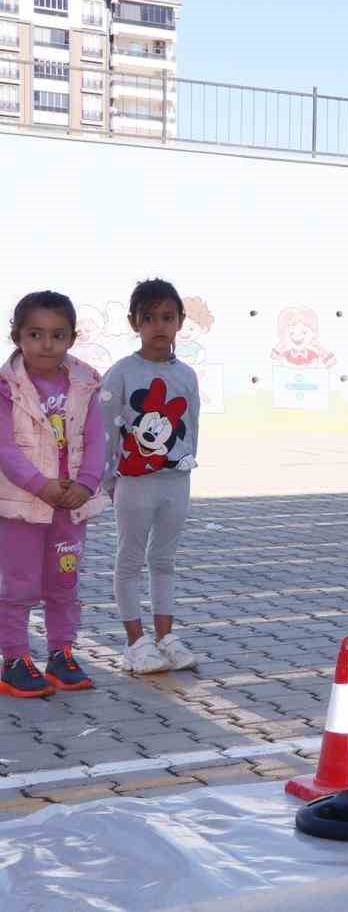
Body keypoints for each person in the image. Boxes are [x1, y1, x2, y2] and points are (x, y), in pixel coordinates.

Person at [0, 292, 108, 697]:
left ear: (71, 338)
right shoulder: (7, 388)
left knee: (64, 582)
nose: (47, 344)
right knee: (18, 585)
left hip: (70, 506)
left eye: (57, 335)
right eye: (35, 334)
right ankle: (13, 659)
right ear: (17, 337)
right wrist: (40, 485)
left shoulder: (86, 384)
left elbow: (97, 439)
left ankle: (61, 654)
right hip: (22, 506)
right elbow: (5, 449)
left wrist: (86, 484)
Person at [103, 279, 203, 674]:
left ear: (180, 322)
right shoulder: (122, 373)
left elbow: (191, 428)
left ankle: (165, 637)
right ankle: (134, 642)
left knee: (163, 560)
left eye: (168, 317)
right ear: (134, 323)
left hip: (175, 481)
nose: (159, 326)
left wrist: (185, 464)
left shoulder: (188, 375)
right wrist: (111, 482)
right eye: (149, 318)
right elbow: (105, 431)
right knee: (129, 560)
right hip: (133, 483)